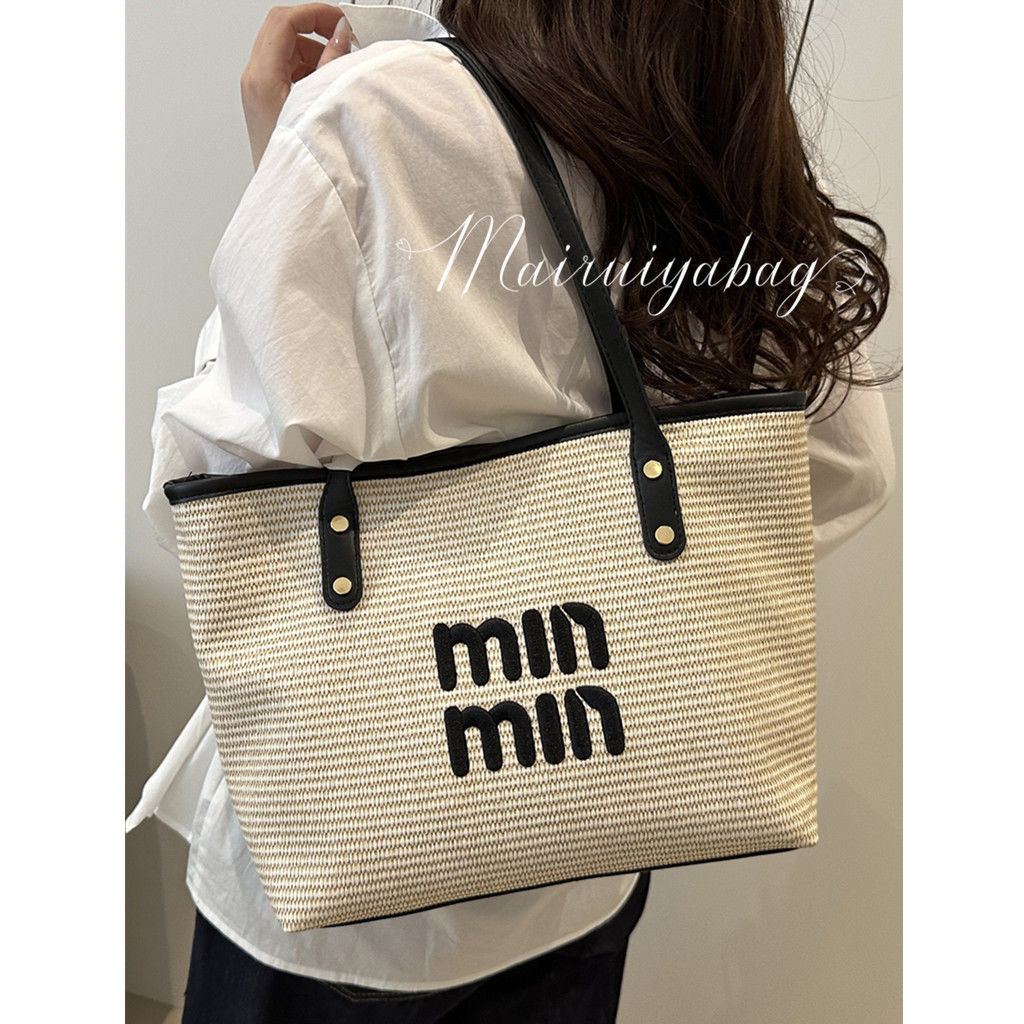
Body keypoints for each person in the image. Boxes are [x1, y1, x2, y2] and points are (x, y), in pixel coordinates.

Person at [127, 1, 898, 1020]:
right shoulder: (718, 124)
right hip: (583, 868)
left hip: (342, 894)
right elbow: (846, 463)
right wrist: (618, 586)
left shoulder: (367, 117)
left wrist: (280, 169)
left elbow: (207, 504)